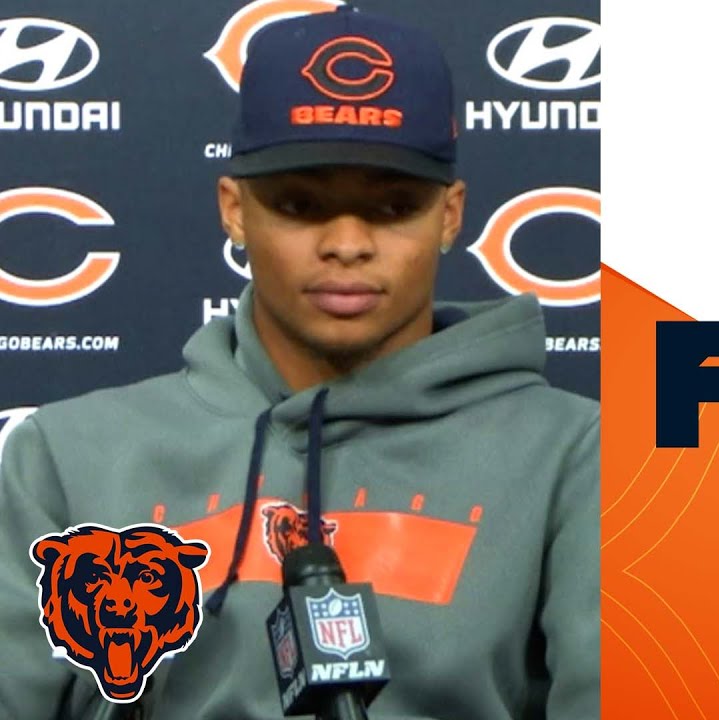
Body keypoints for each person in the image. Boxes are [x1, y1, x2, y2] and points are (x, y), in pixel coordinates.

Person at [0, 6, 600, 719]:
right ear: (234, 209)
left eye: (393, 207)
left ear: (449, 215)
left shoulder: (577, 454)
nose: (346, 244)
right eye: (300, 205)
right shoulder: (66, 456)